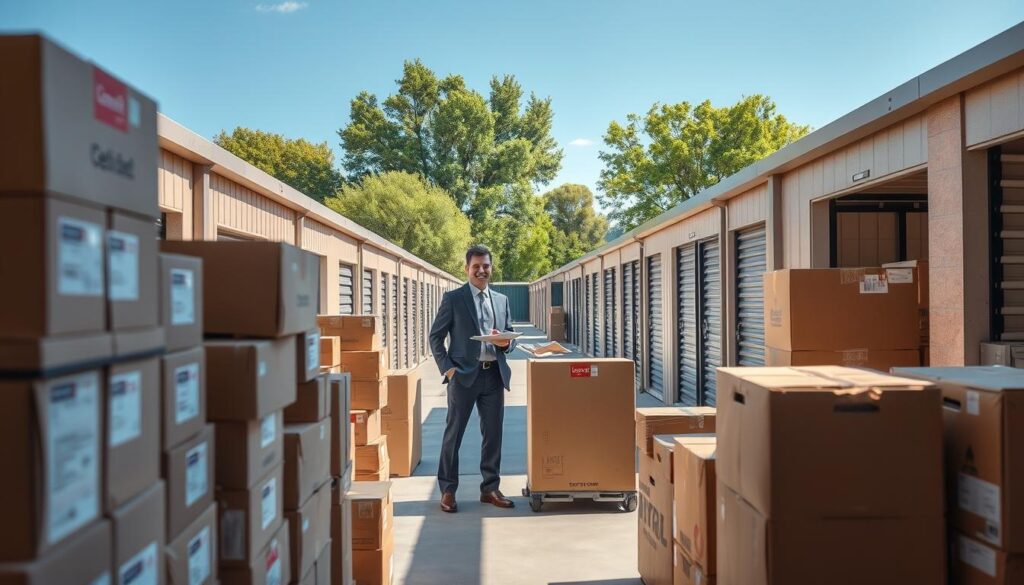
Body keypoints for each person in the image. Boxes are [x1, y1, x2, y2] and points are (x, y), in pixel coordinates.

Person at [428, 244, 517, 513]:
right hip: (463, 376)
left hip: (493, 376)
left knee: (493, 435)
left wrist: (504, 343)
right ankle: (447, 490)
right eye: (476, 266)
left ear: (491, 268)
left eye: (486, 265)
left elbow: (510, 337)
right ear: (467, 269)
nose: (481, 270)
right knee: (453, 435)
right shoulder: (454, 299)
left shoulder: (501, 300)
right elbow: (435, 336)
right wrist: (448, 369)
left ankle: (490, 488)